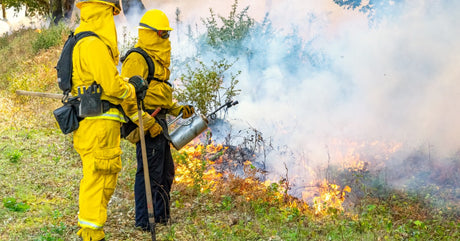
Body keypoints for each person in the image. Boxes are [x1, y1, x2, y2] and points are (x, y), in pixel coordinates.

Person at [71, 1, 160, 240]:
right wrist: (132, 87)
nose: (113, 20)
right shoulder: (94, 44)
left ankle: (88, 230)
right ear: (102, 11)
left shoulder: (80, 39)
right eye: (111, 13)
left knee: (97, 176)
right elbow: (112, 86)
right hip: (99, 124)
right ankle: (91, 234)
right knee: (100, 178)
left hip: (91, 122)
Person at [120, 9, 195, 230]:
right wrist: (145, 121)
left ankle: (161, 216)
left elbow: (157, 92)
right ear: (150, 34)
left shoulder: (156, 59)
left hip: (158, 119)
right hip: (146, 121)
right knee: (149, 172)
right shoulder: (136, 58)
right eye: (163, 34)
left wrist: (177, 108)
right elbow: (126, 97)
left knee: (166, 171)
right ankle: (145, 221)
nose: (166, 38)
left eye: (167, 34)